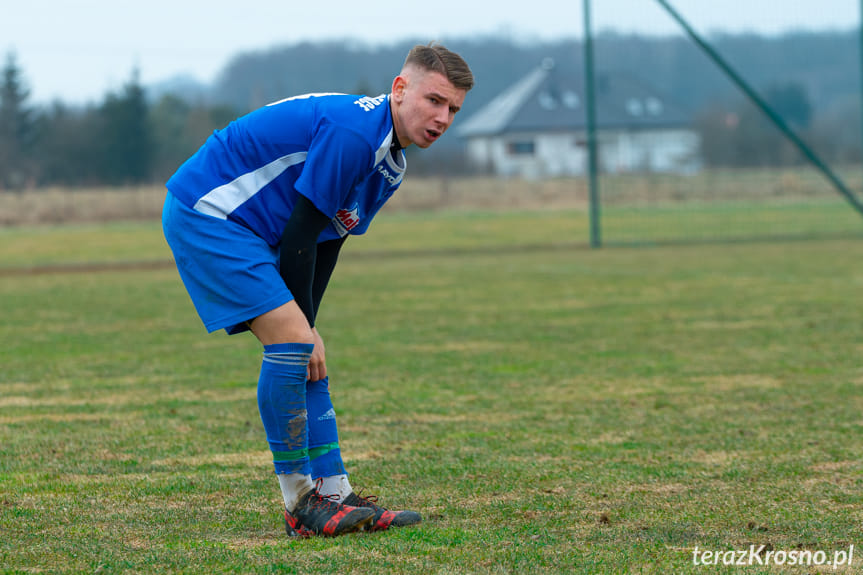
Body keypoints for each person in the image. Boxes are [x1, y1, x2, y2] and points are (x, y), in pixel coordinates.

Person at [162, 43, 474, 537]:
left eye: (453, 109)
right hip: (211, 212)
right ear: (399, 89)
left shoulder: (390, 162)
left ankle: (334, 493)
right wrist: (303, 327)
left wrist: (313, 326)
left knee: (307, 347)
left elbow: (328, 240)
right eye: (433, 100)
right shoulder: (355, 134)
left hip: (258, 230)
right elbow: (301, 233)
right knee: (293, 342)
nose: (442, 117)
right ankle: (300, 503)